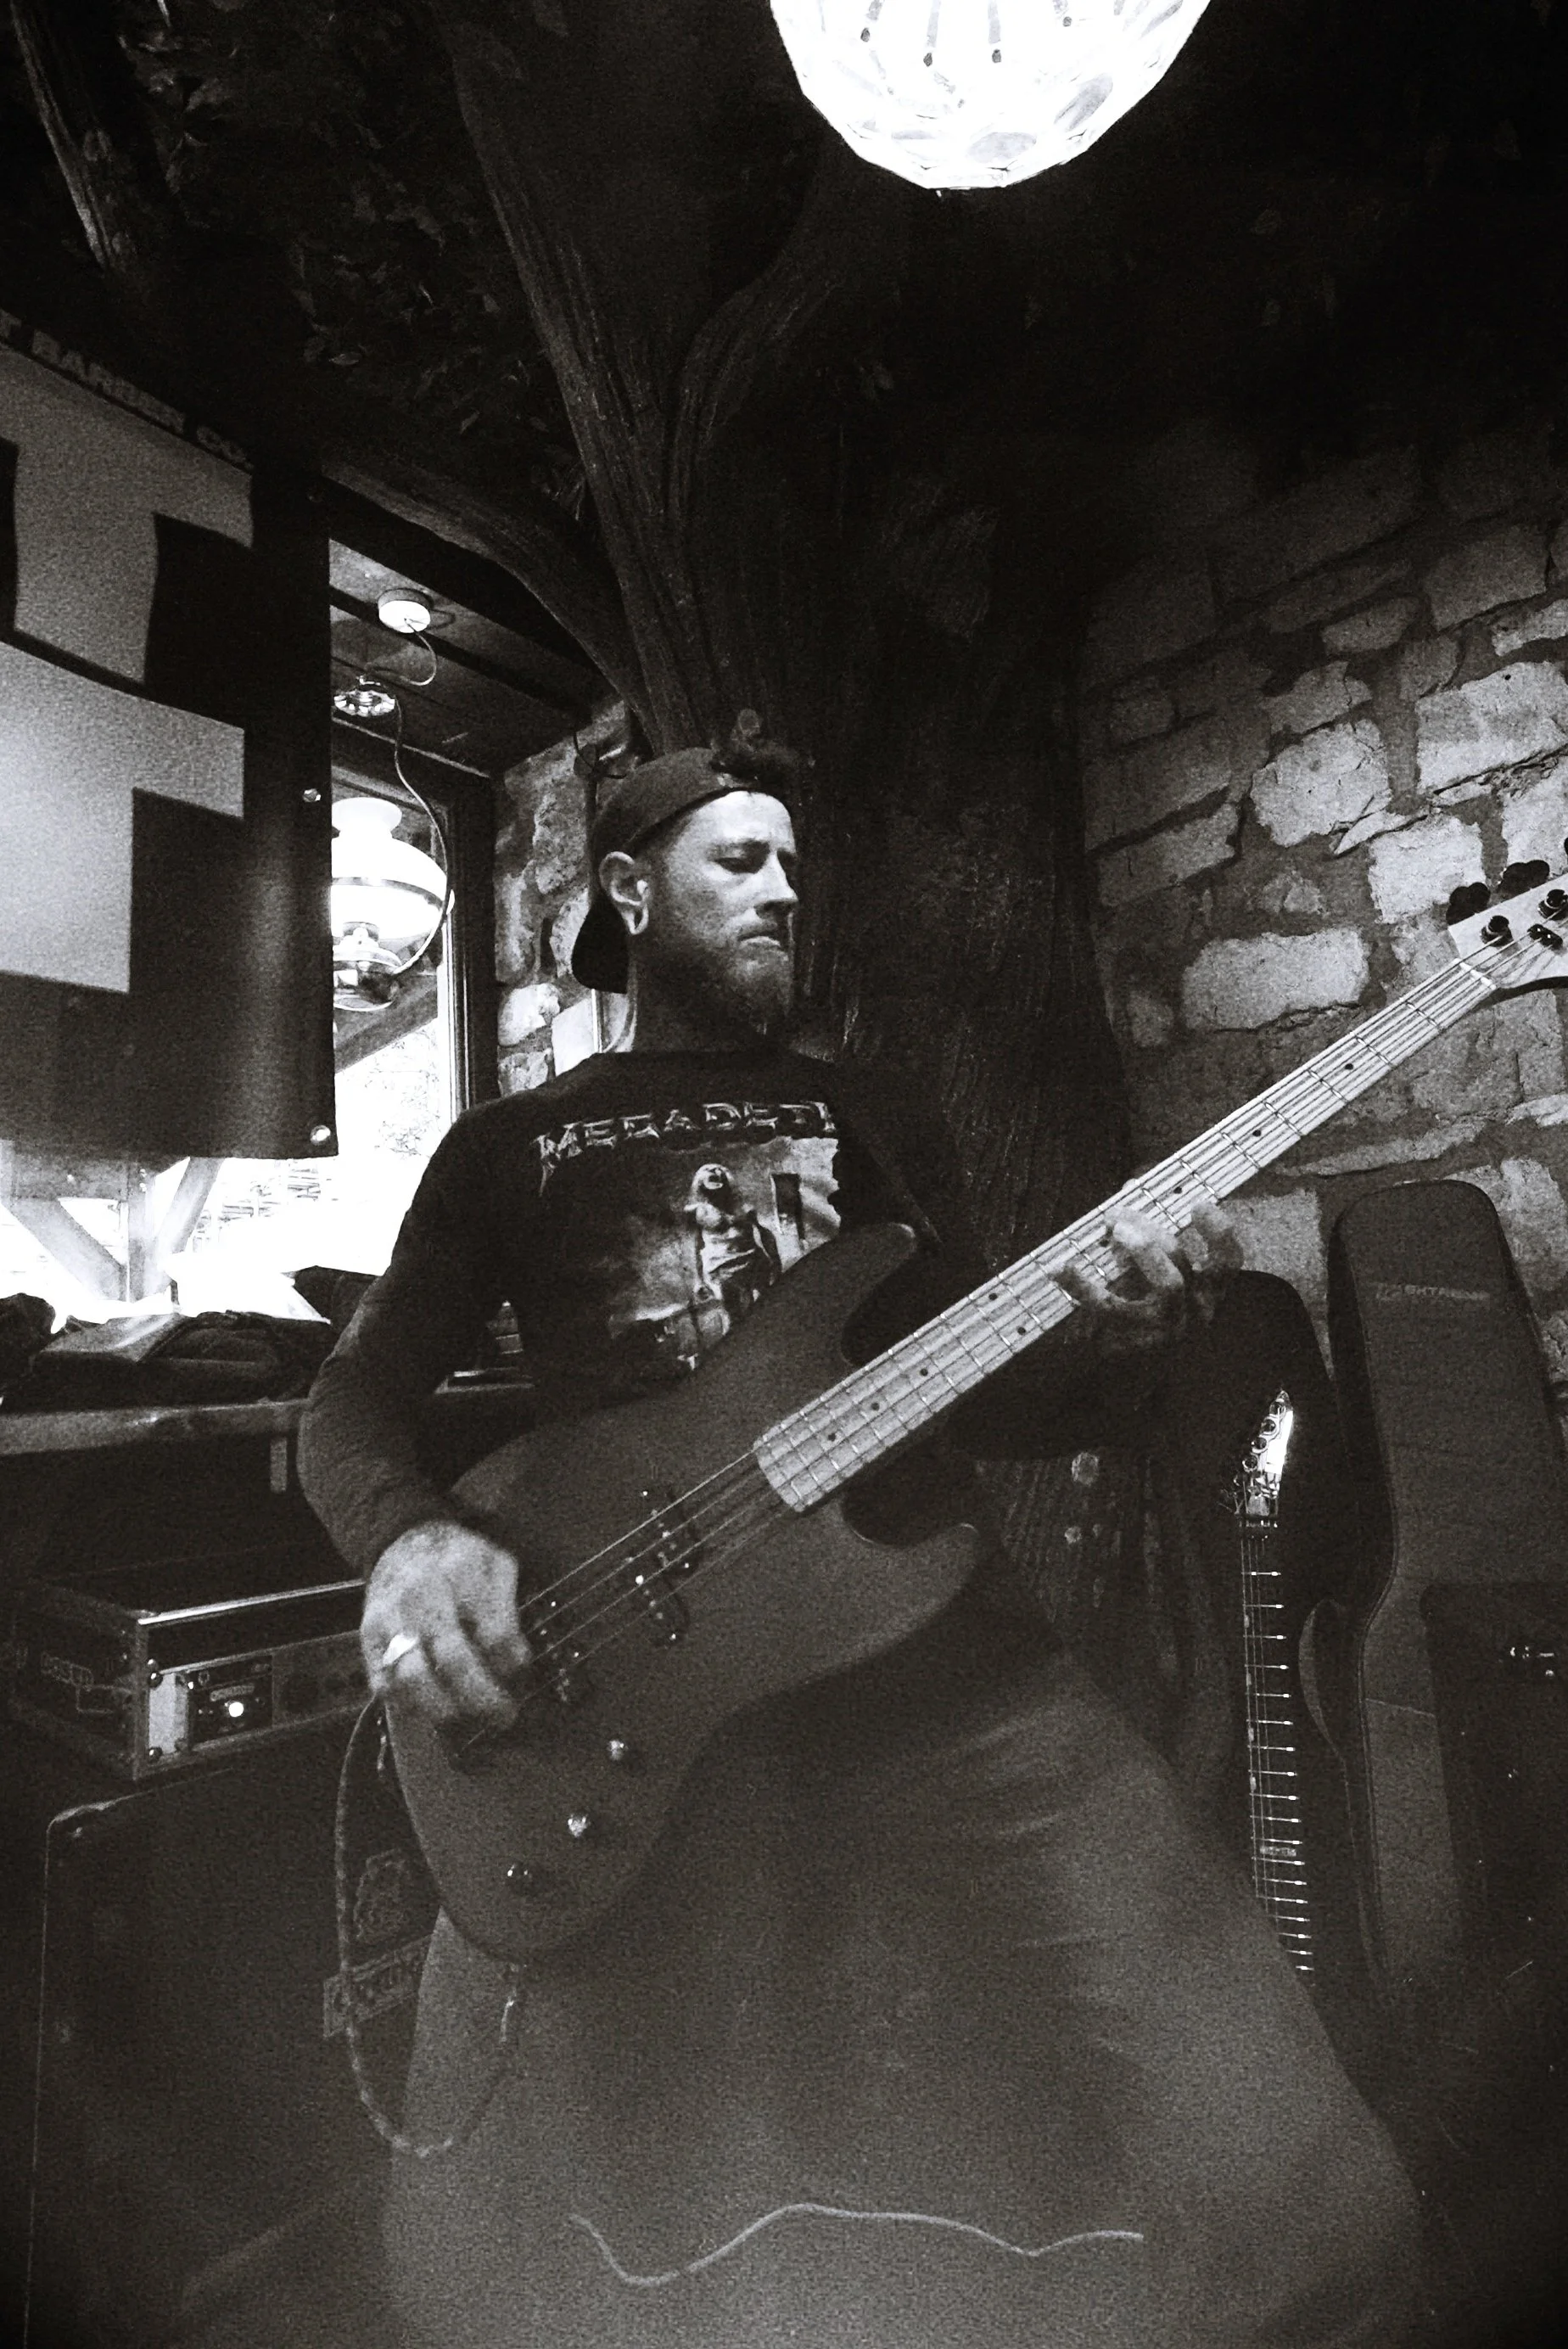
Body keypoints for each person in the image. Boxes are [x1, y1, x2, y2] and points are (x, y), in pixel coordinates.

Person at [297, 722, 1419, 2349]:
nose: (779, 895)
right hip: (633, 1706)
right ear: (629, 885)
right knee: (474, 2235)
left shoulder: (870, 1113)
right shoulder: (514, 1145)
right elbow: (348, 1406)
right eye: (737, 862)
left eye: (792, 867)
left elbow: (991, 1402)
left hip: (950, 1679)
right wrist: (408, 1543)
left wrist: (1125, 1341)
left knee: (1296, 2165)